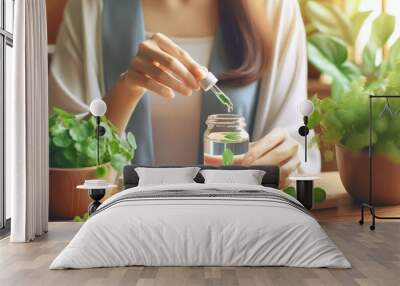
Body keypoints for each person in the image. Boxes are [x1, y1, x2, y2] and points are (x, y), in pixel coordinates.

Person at [49, 0, 321, 187]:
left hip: (235, 229)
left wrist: (287, 158)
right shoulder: (92, 7)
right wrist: (127, 88)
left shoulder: (274, 8)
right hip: (128, 228)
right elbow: (62, 150)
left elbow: (297, 141)